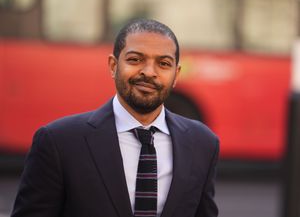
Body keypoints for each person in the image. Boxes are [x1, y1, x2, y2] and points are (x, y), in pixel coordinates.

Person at [11, 19, 219, 217]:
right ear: (113, 65)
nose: (149, 72)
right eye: (135, 59)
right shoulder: (58, 142)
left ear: (176, 74)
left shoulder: (203, 143)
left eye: (163, 64)